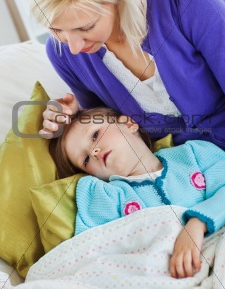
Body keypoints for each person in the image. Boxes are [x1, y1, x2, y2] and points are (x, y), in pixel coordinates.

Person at [24, 0, 225, 149]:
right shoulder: (62, 54)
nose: (74, 48)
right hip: (173, 172)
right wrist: (74, 119)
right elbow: (113, 134)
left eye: (86, 28)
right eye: (57, 30)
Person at [49, 106, 225, 279]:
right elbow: (90, 250)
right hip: (159, 275)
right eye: (86, 159)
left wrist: (197, 223)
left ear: (128, 124)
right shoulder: (105, 196)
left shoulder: (194, 154)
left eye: (95, 135)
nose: (94, 151)